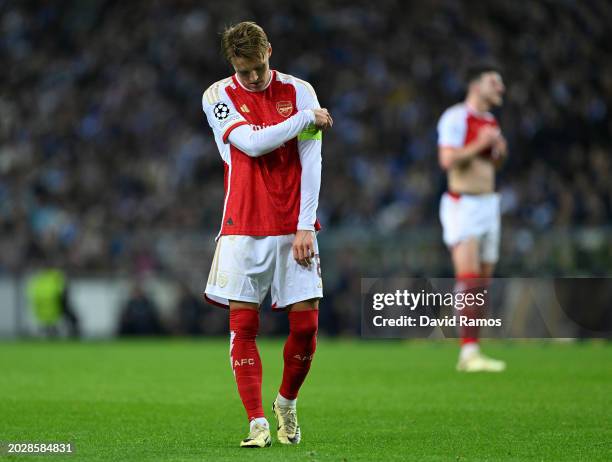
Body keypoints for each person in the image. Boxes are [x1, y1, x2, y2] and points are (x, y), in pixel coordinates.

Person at [201, 22, 332, 448]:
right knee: (243, 326)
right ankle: (257, 422)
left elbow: (311, 160)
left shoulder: (300, 91)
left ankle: (287, 403)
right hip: (243, 225)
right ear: (231, 65)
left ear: (270, 52)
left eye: (259, 68)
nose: (253, 78)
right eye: (244, 71)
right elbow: (251, 145)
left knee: (307, 326)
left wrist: (305, 224)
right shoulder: (217, 96)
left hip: (292, 224)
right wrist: (304, 120)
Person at [437, 64, 508, 372]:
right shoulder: (456, 117)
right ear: (476, 86)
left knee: (482, 282)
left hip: (489, 204)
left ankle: (473, 349)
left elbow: (489, 165)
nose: (500, 89)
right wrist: (483, 143)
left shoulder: (490, 121)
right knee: (468, 279)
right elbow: (447, 159)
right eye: (495, 82)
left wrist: (498, 151)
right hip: (462, 204)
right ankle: (467, 352)